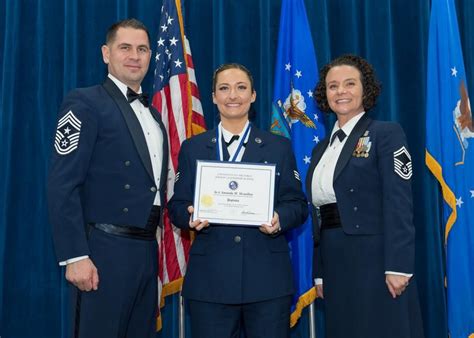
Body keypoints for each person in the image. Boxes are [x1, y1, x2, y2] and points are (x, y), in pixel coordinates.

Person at [47, 18, 168, 338]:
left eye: (142, 49)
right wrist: (76, 255)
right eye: (124, 47)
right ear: (106, 53)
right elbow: (62, 184)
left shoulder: (154, 115)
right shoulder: (85, 102)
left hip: (146, 251)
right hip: (103, 251)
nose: (134, 56)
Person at [168, 63, 308, 338]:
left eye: (241, 88)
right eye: (224, 88)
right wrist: (189, 215)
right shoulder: (193, 148)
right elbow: (176, 206)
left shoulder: (278, 147)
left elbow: (297, 205)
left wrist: (279, 219)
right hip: (210, 283)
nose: (233, 95)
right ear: (213, 97)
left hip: (267, 282)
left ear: (253, 95)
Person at [306, 54, 424, 338]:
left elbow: (399, 203)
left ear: (365, 89)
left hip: (376, 259)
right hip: (335, 260)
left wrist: (398, 265)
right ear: (325, 94)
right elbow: (320, 215)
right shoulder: (321, 149)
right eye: (333, 86)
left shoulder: (385, 134)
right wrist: (320, 271)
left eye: (350, 84)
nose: (341, 91)